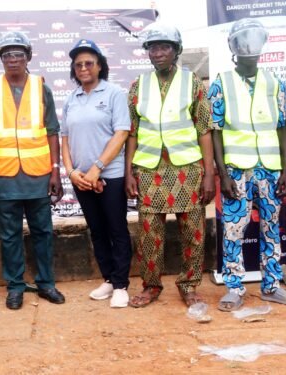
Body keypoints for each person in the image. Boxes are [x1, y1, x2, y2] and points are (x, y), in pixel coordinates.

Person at [208, 19, 286, 311]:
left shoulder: (274, 83)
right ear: (233, 48)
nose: (249, 49)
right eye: (242, 43)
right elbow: (216, 130)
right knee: (234, 229)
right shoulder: (221, 83)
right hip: (236, 169)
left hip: (270, 169)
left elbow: (283, 127)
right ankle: (234, 287)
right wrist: (222, 173)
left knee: (271, 228)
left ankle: (271, 285)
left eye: (254, 43)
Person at [125, 23, 215, 309]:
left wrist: (209, 174)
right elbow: (132, 133)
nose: (158, 53)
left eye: (165, 47)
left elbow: (204, 130)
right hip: (150, 171)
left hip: (187, 170)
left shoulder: (193, 84)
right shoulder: (139, 85)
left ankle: (189, 286)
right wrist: (129, 172)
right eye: (153, 47)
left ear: (176, 51)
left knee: (193, 232)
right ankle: (151, 286)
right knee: (149, 234)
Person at [0, 31, 65, 310]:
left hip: (38, 175)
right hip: (5, 177)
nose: (13, 59)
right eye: (7, 55)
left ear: (28, 57)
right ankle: (15, 286)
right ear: (0, 59)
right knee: (9, 235)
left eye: (18, 54)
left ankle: (46, 283)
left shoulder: (42, 87)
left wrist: (55, 171)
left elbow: (52, 131)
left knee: (43, 232)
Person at [61, 39, 132, 308]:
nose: (83, 68)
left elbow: (121, 133)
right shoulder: (72, 99)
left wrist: (96, 169)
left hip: (109, 175)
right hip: (82, 180)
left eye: (89, 63)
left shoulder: (114, 93)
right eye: (78, 64)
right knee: (97, 231)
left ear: (100, 66)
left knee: (117, 229)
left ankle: (122, 284)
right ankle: (109, 279)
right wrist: (71, 172)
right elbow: (65, 139)